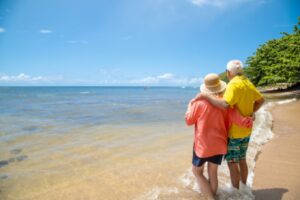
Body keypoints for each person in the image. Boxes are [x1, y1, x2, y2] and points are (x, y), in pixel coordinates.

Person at [194, 60, 265, 190]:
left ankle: (236, 193)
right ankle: (244, 189)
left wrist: (205, 97)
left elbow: (225, 105)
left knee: (233, 163)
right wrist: (251, 113)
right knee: (242, 159)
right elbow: (261, 100)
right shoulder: (247, 82)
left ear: (228, 72)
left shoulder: (233, 84)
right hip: (246, 129)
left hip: (234, 132)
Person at [185, 73, 253, 200]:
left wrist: (190, 104)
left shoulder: (199, 103)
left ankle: (210, 197)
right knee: (213, 172)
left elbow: (188, 120)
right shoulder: (225, 104)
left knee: (197, 172)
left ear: (205, 89)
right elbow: (239, 119)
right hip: (220, 144)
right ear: (220, 87)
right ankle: (213, 195)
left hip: (203, 145)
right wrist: (250, 119)